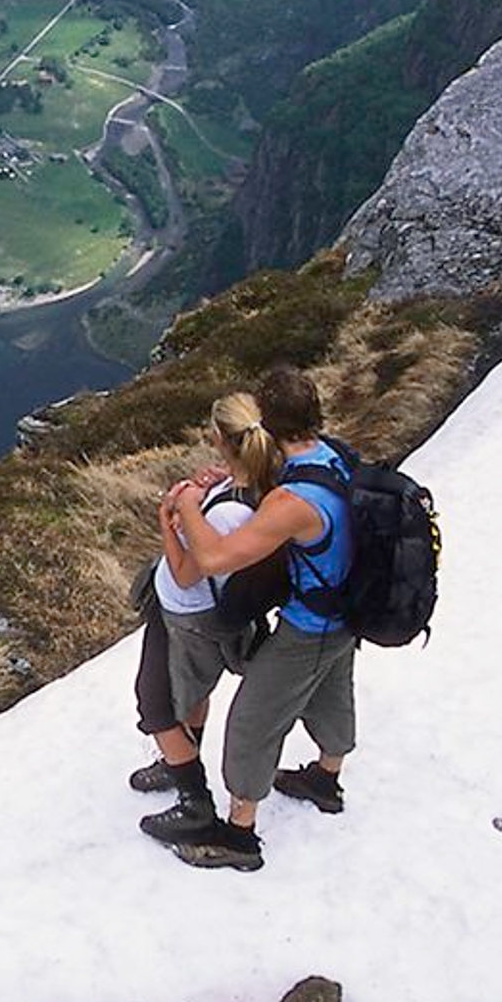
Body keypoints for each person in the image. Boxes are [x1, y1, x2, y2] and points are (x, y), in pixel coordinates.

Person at [140, 362, 355, 872]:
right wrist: (228, 480)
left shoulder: (291, 499)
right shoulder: (332, 457)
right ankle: (325, 778)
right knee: (330, 695)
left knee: (252, 724)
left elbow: (212, 560)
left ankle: (239, 836)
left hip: (311, 624)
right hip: (349, 609)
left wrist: (187, 505)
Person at [129, 393, 279, 821]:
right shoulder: (257, 487)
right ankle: (181, 758)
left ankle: (193, 799)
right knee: (194, 690)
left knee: (154, 704)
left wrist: (168, 519)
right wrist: (205, 491)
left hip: (187, 616)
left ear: (217, 437)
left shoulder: (226, 514)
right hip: (199, 614)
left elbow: (184, 572)